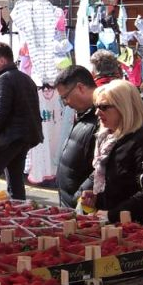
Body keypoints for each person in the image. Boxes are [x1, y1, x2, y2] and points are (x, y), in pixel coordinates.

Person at [80, 80, 143, 224]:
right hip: (114, 224)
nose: (97, 112)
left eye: (103, 107)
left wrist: (113, 214)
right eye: (96, 107)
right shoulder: (109, 138)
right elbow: (116, 184)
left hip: (138, 228)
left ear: (124, 107)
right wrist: (97, 198)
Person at [0, 43, 43, 197]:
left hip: (7, 138)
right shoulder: (26, 79)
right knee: (15, 181)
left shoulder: (4, 79)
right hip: (24, 138)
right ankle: (18, 212)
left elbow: (0, 111)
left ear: (2, 61)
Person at [54, 65, 99, 209]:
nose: (66, 103)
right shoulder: (83, 113)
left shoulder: (102, 115)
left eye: (65, 97)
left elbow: (103, 166)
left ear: (80, 87)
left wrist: (78, 196)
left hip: (83, 206)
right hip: (72, 204)